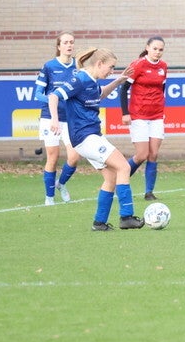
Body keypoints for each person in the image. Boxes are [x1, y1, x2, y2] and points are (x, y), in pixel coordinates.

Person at [48, 48, 146, 231]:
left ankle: (99, 223)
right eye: (111, 67)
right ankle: (126, 217)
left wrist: (118, 81)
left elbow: (99, 94)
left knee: (111, 177)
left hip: (90, 136)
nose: (111, 71)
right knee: (124, 167)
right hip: (85, 137)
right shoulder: (80, 79)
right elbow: (54, 96)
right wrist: (54, 120)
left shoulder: (92, 81)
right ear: (99, 63)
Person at [119, 36, 168, 201]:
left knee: (153, 154)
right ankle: (118, 180)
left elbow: (162, 88)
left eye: (161, 50)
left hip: (157, 116)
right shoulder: (138, 64)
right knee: (141, 155)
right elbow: (124, 88)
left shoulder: (163, 66)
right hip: (139, 115)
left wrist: (160, 107)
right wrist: (125, 113)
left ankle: (149, 192)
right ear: (147, 48)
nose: (158, 52)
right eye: (155, 48)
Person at [34, 31, 79, 206]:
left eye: (71, 42)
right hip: (50, 117)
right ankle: (49, 197)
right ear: (59, 46)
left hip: (70, 118)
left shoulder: (78, 66)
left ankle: (61, 183)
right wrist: (54, 100)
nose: (69, 45)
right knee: (53, 157)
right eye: (65, 42)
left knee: (74, 157)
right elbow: (38, 94)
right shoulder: (49, 66)